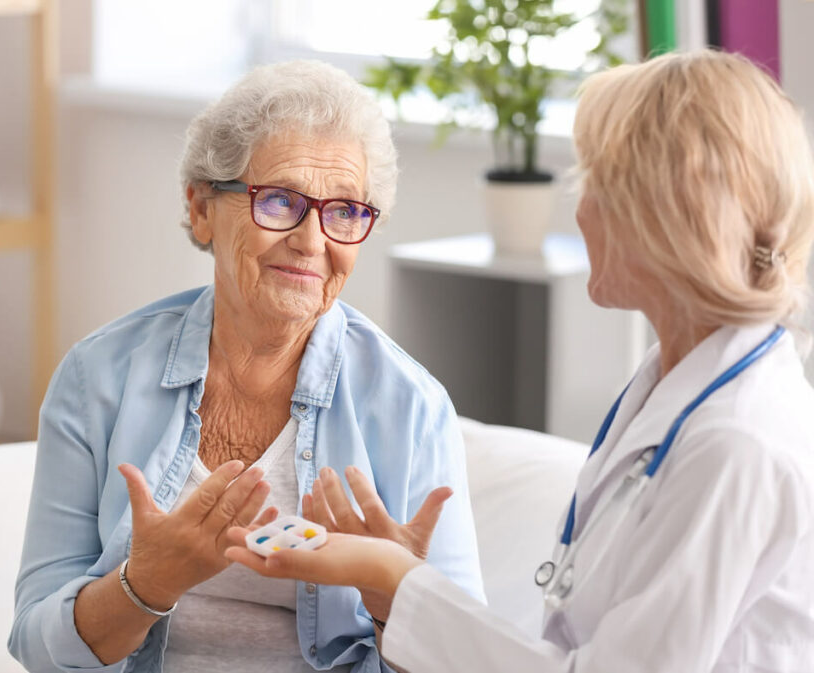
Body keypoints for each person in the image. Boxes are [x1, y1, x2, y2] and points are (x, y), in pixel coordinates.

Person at [227, 50, 814, 672]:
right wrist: (391, 588)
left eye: (593, 182)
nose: (580, 210)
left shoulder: (736, 442)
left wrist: (399, 582)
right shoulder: (674, 385)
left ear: (664, 215)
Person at [7, 59, 485, 673]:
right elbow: (37, 642)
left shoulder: (411, 406)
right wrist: (144, 586)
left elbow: (470, 660)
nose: (313, 242)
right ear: (202, 207)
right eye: (280, 201)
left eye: (344, 211)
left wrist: (396, 599)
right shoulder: (97, 375)